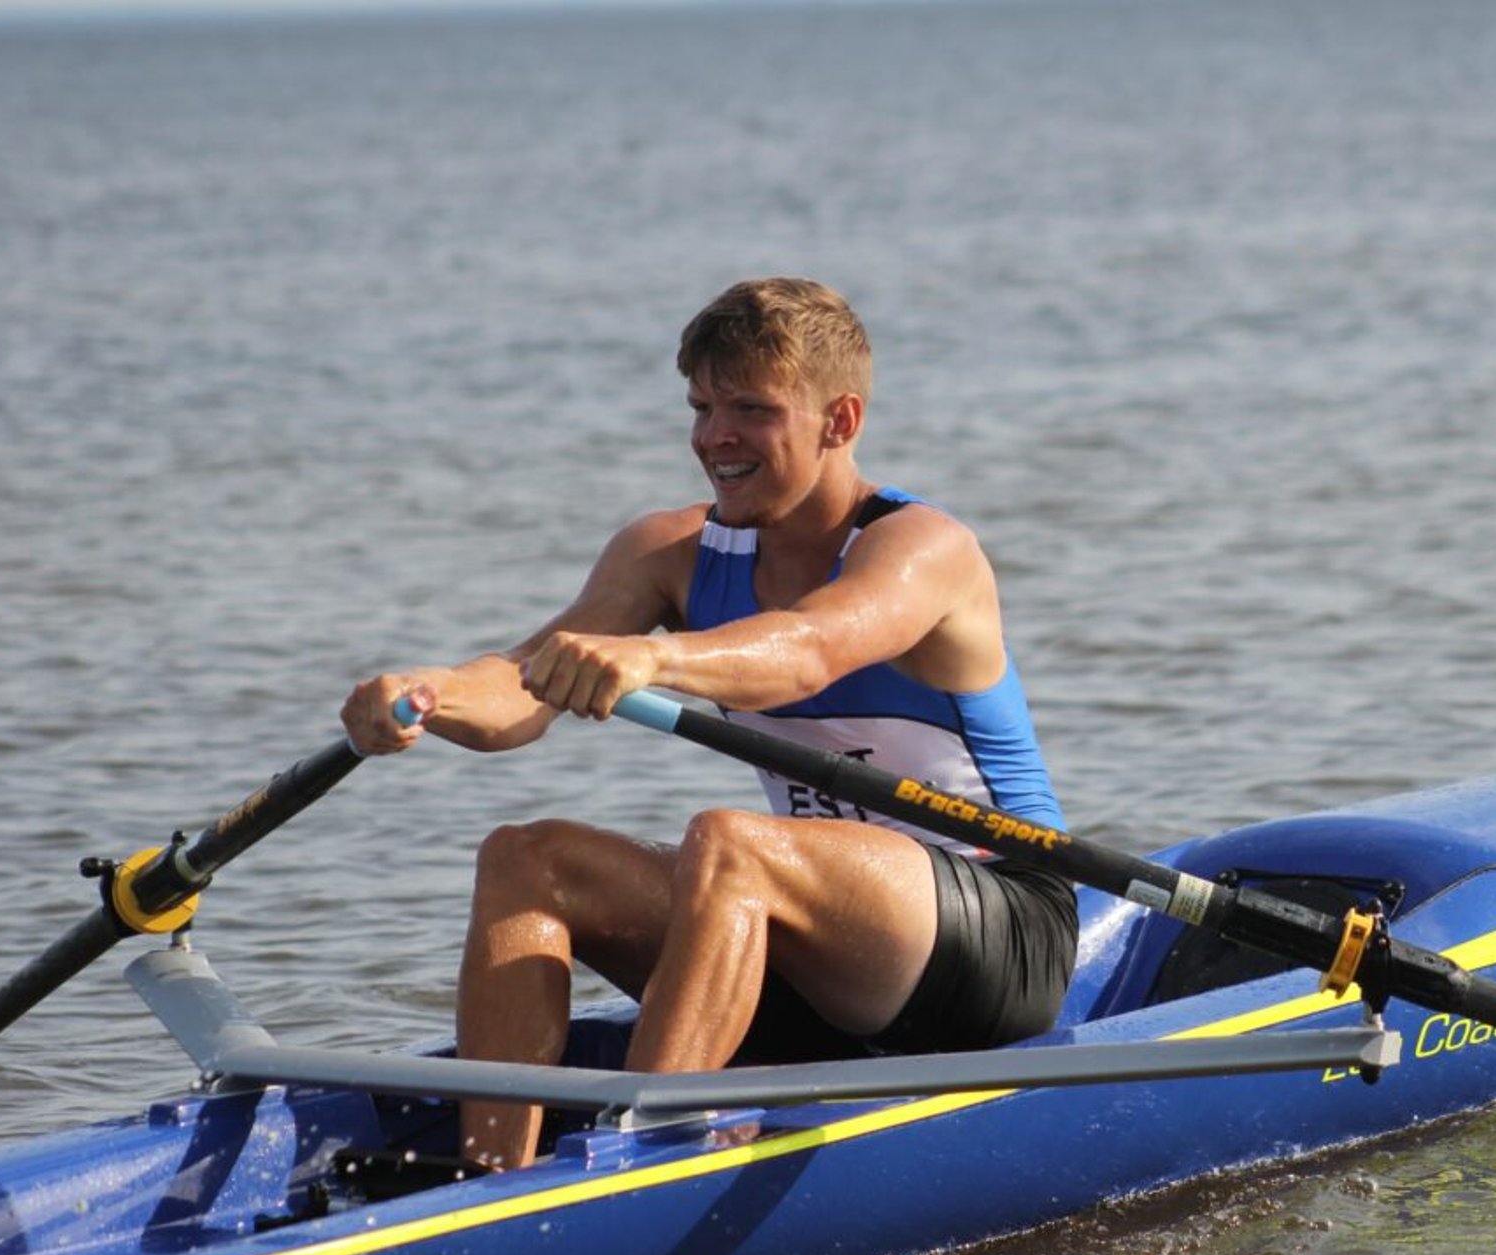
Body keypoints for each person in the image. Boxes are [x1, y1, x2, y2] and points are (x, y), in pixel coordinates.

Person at [342, 277, 1076, 1170]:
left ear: (838, 422)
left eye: (752, 409)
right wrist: (430, 692)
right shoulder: (668, 551)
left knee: (732, 842)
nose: (713, 437)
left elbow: (805, 651)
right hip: (819, 935)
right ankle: (491, 1176)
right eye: (701, 406)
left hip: (1000, 927)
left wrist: (656, 656)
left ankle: (642, 1157)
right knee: (526, 858)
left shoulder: (922, 548)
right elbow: (521, 694)